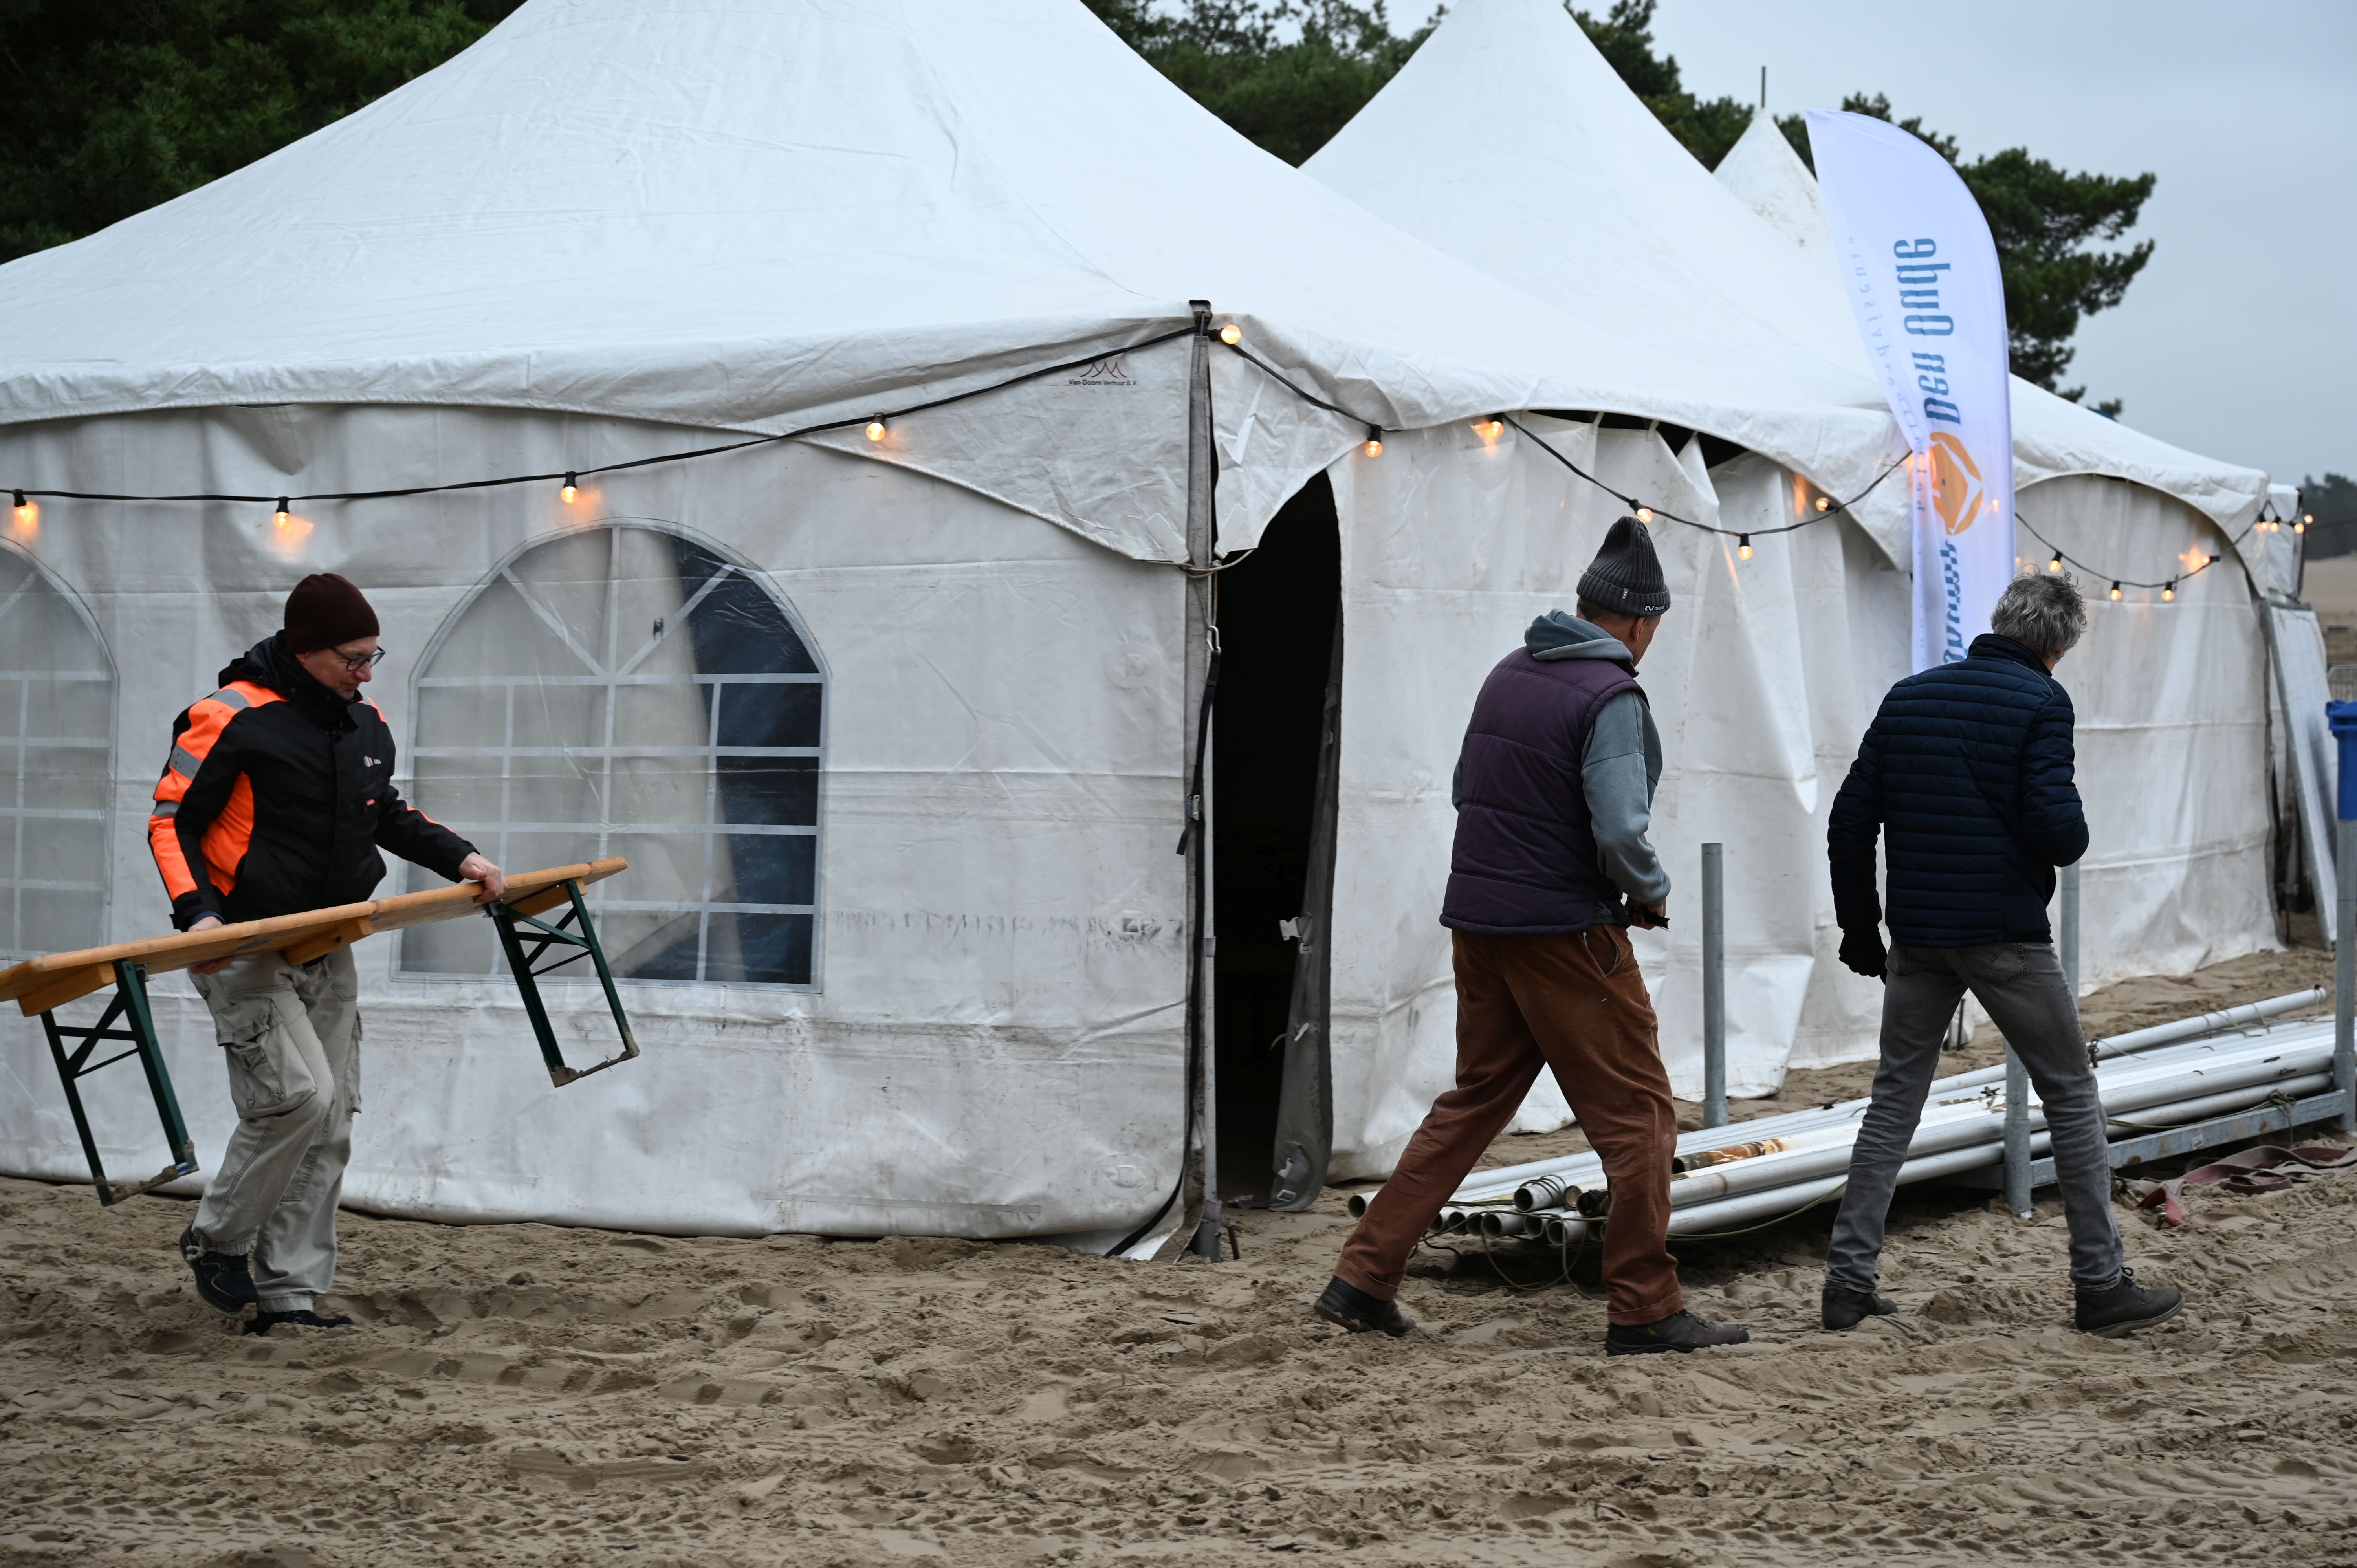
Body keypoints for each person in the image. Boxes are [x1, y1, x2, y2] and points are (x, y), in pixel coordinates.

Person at [1312, 518, 1748, 1356]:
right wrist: (1649, 893)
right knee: (1641, 1119)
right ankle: (1646, 1308)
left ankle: (1363, 1277)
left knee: (1474, 1102)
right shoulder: (1612, 695)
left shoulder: (1508, 673)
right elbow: (1619, 828)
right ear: (1642, 621)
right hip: (1564, 931)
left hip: (1481, 924)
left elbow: (1464, 789)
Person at [1823, 571, 2181, 1338]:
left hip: (1919, 936)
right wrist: (2065, 824)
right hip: (2006, 936)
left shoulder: (1908, 696)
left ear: (2000, 622)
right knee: (2071, 1095)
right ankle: (2100, 1285)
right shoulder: (2044, 702)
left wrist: (1861, 930)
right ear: (2060, 646)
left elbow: (1850, 821)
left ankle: (1847, 1283)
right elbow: (2059, 832)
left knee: (1894, 1100)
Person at [152, 573, 505, 1334]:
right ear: (306, 650)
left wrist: (463, 856)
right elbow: (171, 821)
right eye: (354, 658)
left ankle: (289, 1294)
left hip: (330, 941)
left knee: (334, 1117)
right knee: (297, 1098)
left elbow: (389, 814)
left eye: (374, 655)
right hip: (242, 943)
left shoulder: (364, 723)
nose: (367, 672)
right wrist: (199, 917)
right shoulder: (229, 716)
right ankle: (216, 1239)